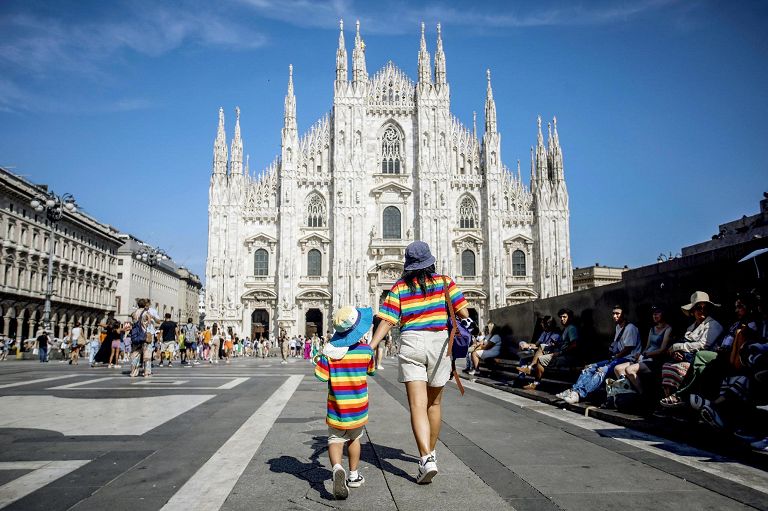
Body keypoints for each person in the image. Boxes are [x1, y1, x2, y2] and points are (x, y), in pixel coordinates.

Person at [369, 241, 469, 484]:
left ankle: (425, 458)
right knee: (434, 404)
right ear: (430, 262)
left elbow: (387, 321)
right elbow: (464, 314)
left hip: (412, 342)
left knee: (417, 405)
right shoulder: (445, 282)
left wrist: (370, 347)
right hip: (440, 344)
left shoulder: (400, 287)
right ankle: (431, 455)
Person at [314, 306, 376, 500]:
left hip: (336, 409)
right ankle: (353, 475)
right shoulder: (366, 351)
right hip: (358, 409)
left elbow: (321, 377)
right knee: (354, 440)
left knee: (334, 440)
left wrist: (321, 359)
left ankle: (337, 468)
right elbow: (371, 371)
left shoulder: (330, 354)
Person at [558, 305, 641, 404]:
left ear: (624, 315)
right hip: (616, 358)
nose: (615, 316)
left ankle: (580, 394)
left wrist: (614, 358)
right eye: (613, 313)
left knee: (602, 371)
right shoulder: (618, 327)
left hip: (627, 359)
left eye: (617, 314)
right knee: (589, 367)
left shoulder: (630, 328)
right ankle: (574, 391)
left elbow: (628, 348)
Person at [659, 291, 724, 407]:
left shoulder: (713, 325)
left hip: (705, 358)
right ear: (692, 311)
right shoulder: (691, 327)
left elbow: (704, 345)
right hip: (689, 356)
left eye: (705, 307)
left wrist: (678, 347)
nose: (702, 311)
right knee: (666, 365)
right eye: (699, 307)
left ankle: (679, 397)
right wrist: (678, 353)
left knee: (681, 367)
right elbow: (687, 343)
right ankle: (668, 398)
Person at [612, 306, 671, 394]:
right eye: (653, 314)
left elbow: (662, 350)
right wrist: (640, 354)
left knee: (629, 370)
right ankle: (629, 393)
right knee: (618, 368)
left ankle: (642, 394)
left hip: (655, 360)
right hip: (645, 358)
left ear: (664, 314)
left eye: (657, 313)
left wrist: (647, 354)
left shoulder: (668, 329)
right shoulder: (652, 329)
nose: (655, 315)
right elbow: (647, 346)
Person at [520, 309, 581, 390]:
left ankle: (534, 381)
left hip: (566, 356)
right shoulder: (565, 329)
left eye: (564, 317)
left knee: (541, 359)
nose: (562, 319)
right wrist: (556, 345)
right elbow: (564, 345)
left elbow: (574, 345)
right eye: (561, 317)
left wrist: (560, 352)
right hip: (558, 352)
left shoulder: (571, 328)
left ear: (570, 317)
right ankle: (524, 375)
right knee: (525, 355)